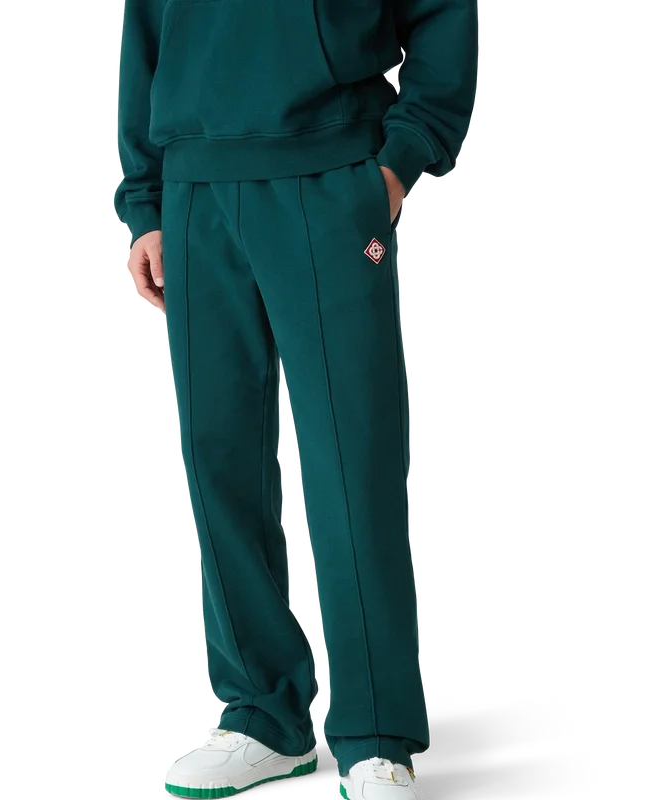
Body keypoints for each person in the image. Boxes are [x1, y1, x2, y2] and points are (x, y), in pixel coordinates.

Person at [115, 2, 477, 798]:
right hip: (194, 188)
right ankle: (259, 715)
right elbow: (144, 28)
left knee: (353, 457)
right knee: (218, 460)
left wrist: (398, 162)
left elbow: (443, 12)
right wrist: (141, 202)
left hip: (328, 175)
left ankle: (375, 737)